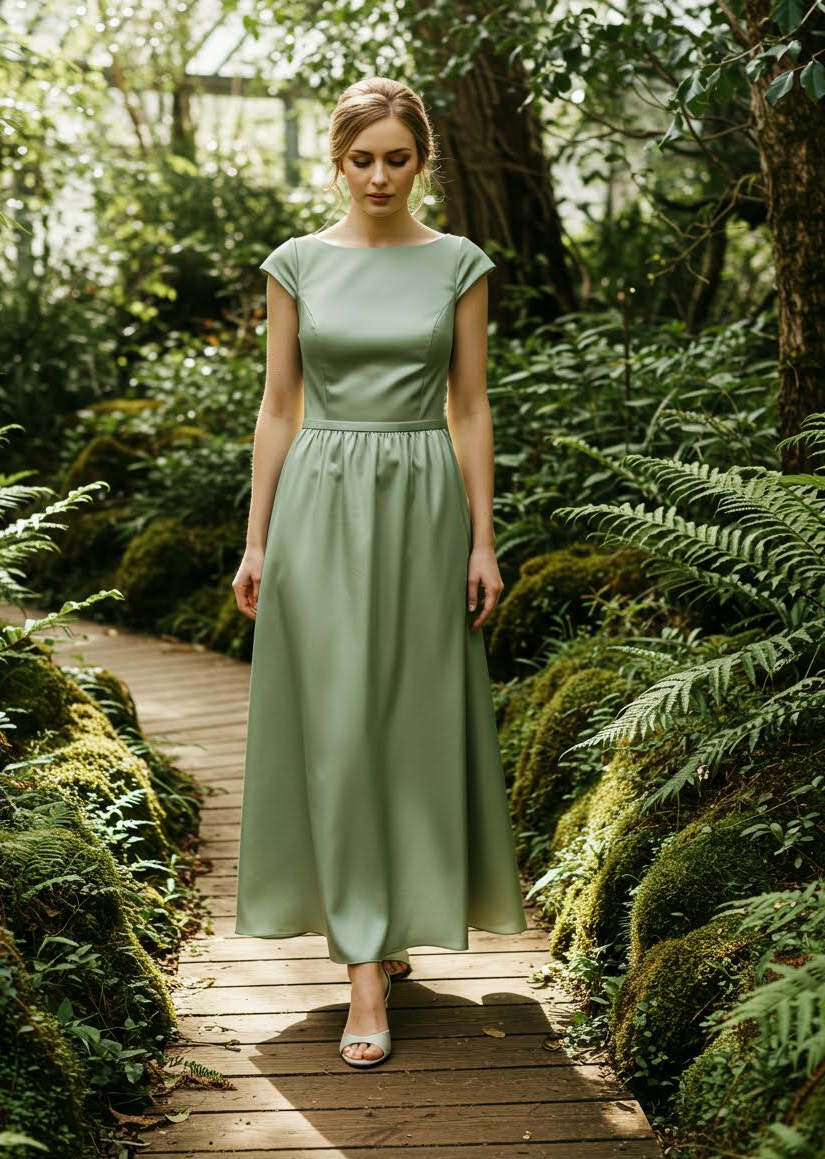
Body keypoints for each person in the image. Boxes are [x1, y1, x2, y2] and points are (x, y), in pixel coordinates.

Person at [231, 75, 527, 1070]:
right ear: (336, 160)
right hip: (318, 500)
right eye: (361, 158)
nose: (378, 176)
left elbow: (471, 406)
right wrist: (255, 537)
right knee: (338, 721)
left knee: (404, 716)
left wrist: (482, 539)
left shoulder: (456, 262)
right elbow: (277, 406)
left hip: (421, 501)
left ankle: (389, 923)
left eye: (396, 157)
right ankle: (360, 960)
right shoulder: (295, 263)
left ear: (422, 160)